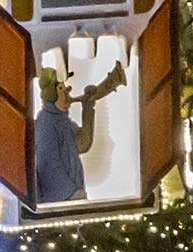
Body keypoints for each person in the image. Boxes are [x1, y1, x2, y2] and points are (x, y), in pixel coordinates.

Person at [34, 59, 127, 206]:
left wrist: (88, 107)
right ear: (51, 94)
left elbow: (82, 144)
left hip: (72, 195)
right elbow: (49, 164)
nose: (67, 91)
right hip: (59, 200)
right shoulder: (46, 123)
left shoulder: (63, 121)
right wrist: (71, 192)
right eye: (61, 88)